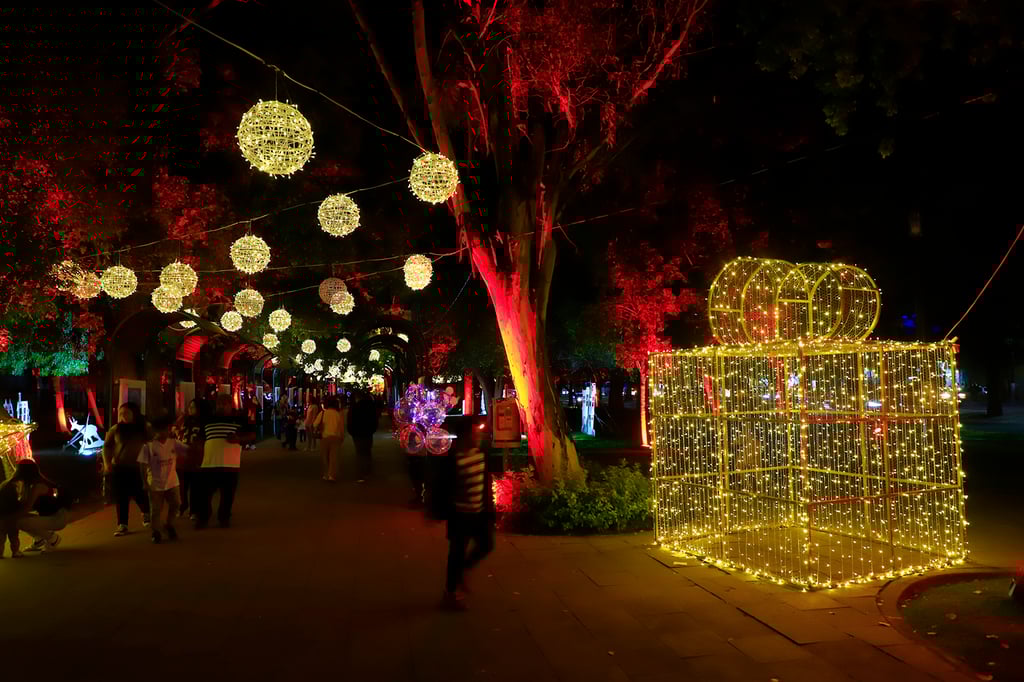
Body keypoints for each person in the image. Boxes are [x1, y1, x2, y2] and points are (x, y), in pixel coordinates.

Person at [441, 417, 495, 611]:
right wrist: (437, 512)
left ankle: (464, 570)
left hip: (479, 513)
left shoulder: (481, 454)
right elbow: (443, 486)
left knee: (487, 545)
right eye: (474, 433)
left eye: (478, 433)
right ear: (464, 436)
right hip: (460, 515)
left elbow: (485, 484)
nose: (477, 437)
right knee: (456, 554)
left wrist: (490, 510)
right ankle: (450, 593)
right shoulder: (454, 457)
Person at [195, 395, 253, 529]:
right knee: (204, 494)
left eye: (225, 403)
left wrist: (238, 438)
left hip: (230, 464)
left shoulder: (238, 419)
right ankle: (203, 518)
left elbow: (251, 435)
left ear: (230, 405)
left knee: (227, 495)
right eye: (219, 403)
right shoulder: (208, 420)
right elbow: (200, 439)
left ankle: (224, 517)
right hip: (209, 463)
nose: (221, 406)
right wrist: (197, 456)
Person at [102, 402, 152, 536]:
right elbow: (106, 446)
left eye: (126, 413)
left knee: (139, 492)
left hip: (138, 467)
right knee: (121, 496)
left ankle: (146, 513)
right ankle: (122, 524)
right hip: (119, 467)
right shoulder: (116, 429)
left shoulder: (144, 428)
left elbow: (152, 443)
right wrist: (107, 463)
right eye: (121, 413)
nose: (123, 416)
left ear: (134, 413)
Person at [139, 412, 189, 543]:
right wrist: (145, 482)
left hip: (172, 482)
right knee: (156, 509)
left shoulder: (173, 443)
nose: (165, 432)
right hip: (155, 483)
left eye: (167, 429)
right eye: (162, 429)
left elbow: (188, 451)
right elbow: (142, 465)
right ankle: (155, 531)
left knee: (176, 504)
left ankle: (169, 524)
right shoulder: (148, 447)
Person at [4, 459, 70, 553]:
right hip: (53, 515)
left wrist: (9, 518)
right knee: (19, 518)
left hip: (58, 518)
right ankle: (39, 540)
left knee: (19, 521)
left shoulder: (38, 486)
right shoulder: (30, 485)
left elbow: (26, 507)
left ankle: (52, 539)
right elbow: (25, 506)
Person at [173, 399, 203, 519]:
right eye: (190, 406)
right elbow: (175, 429)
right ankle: (182, 505)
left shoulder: (203, 422)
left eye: (193, 407)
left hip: (196, 457)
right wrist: (175, 430)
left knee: (195, 486)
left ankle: (194, 509)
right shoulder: (184, 420)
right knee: (181, 486)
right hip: (182, 458)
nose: (190, 409)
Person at [347, 391, 379, 482]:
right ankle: (367, 472)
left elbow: (350, 420)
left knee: (360, 453)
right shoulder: (371, 407)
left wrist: (352, 431)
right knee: (367, 452)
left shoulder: (354, 407)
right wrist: (372, 430)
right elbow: (375, 420)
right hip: (368, 432)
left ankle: (361, 474)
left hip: (357, 433)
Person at [313, 396, 345, 482]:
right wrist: (342, 436)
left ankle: (326, 474)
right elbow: (341, 427)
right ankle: (332, 475)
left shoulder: (323, 413)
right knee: (333, 457)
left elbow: (315, 424)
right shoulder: (338, 414)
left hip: (325, 437)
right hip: (336, 437)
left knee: (325, 457)